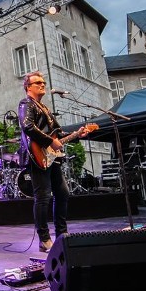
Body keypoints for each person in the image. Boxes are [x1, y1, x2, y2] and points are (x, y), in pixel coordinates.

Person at [17, 71, 89, 252]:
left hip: (52, 157)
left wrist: (78, 134)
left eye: (43, 82)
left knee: (62, 193)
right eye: (38, 82)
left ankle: (62, 234)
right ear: (28, 87)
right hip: (37, 155)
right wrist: (50, 141)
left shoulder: (45, 108)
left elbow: (59, 133)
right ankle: (44, 239)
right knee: (43, 197)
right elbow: (28, 126)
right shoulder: (26, 104)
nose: (43, 84)